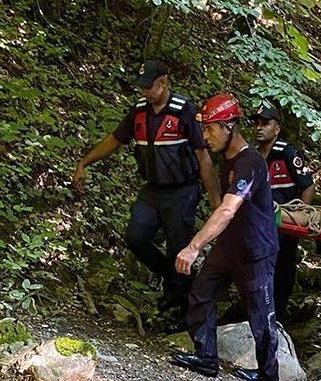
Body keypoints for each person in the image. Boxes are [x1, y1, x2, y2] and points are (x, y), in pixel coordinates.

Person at [72, 60, 221, 318]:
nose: (143, 92)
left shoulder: (184, 110)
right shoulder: (139, 111)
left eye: (148, 87)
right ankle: (170, 279)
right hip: (152, 190)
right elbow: (114, 140)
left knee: (179, 249)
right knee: (136, 237)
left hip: (182, 190)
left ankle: (182, 307)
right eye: (141, 87)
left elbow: (203, 157)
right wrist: (84, 162)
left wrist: (214, 199)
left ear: (163, 83)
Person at [169, 94, 280, 381]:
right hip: (229, 246)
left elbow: (229, 208)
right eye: (204, 129)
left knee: (260, 313)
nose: (205, 136)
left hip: (256, 251)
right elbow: (221, 203)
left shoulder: (251, 162)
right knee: (201, 293)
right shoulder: (226, 159)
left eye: (210, 128)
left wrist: (194, 246)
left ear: (229, 126)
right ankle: (205, 356)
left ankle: (268, 373)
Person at [252, 104, 314, 320]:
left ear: (276, 128)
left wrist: (301, 216)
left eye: (265, 123)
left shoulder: (288, 153)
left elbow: (307, 185)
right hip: (259, 221)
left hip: (285, 222)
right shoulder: (253, 155)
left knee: (283, 264)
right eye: (257, 123)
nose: (260, 128)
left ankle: (279, 309)